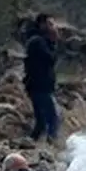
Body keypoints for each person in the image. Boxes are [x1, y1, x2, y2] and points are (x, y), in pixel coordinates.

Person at [23, 13, 60, 143]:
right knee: (53, 117)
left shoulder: (38, 40)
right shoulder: (38, 42)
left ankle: (31, 143)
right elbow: (50, 60)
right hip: (40, 86)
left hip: (38, 85)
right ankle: (52, 143)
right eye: (50, 24)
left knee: (41, 121)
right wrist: (54, 42)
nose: (53, 27)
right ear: (42, 25)